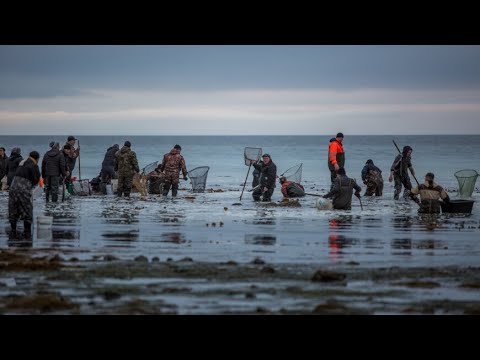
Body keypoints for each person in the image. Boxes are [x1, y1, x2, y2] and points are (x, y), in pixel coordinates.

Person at [8, 151, 41, 239]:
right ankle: (27, 231)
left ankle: (13, 230)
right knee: (27, 209)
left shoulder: (21, 163)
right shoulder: (34, 165)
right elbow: (36, 179)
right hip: (23, 188)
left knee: (13, 208)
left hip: (13, 187)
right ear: (37, 159)